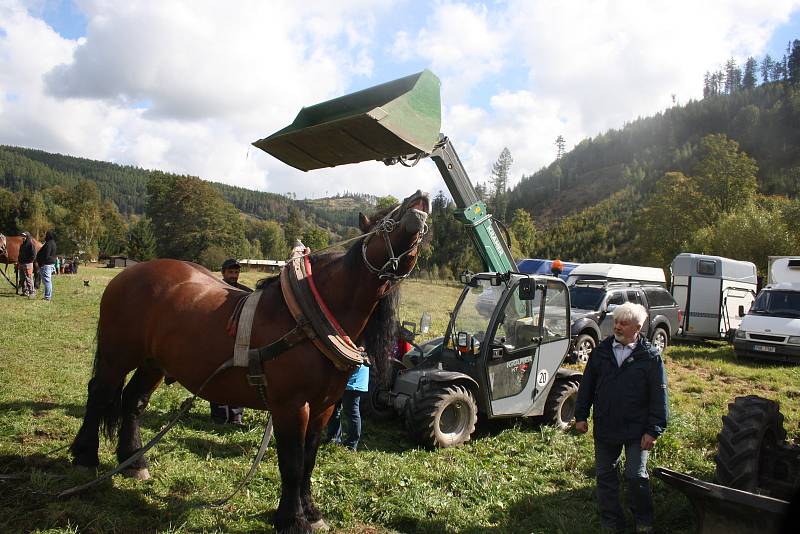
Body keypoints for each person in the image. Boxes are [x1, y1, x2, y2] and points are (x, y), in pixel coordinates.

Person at [574, 302, 669, 534]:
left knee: (635, 475)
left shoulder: (650, 357)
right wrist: (581, 415)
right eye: (616, 322)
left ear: (638, 327)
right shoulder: (601, 352)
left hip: (638, 430)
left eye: (623, 323)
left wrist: (654, 429)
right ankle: (611, 522)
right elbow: (586, 386)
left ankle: (643, 521)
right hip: (607, 425)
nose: (617, 326)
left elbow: (659, 395)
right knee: (605, 476)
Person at [210, 258, 250, 425]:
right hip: (219, 339)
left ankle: (236, 416)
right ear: (223, 273)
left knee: (238, 376)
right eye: (230, 272)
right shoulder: (216, 291)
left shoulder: (245, 292)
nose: (234, 275)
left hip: (239, 339)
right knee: (218, 376)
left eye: (236, 272)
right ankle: (219, 416)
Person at [325, 363, 369, 451]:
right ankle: (334, 438)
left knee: (352, 412)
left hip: (354, 382)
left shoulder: (366, 349)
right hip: (341, 380)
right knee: (333, 409)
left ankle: (351, 445)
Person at [36, 230, 57, 301]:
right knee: (48, 281)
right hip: (49, 264)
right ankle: (48, 296)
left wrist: (41, 263)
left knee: (47, 281)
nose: (45, 236)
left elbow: (46, 255)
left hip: (46, 264)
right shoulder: (53, 243)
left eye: (46, 235)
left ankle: (47, 297)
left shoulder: (48, 244)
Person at [17, 232, 36, 298]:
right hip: (21, 264)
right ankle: (25, 291)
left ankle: (32, 292)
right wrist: (18, 261)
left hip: (28, 264)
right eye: (22, 236)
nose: (23, 237)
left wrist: (29, 261)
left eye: (24, 236)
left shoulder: (31, 244)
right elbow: (19, 254)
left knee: (29, 278)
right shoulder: (22, 245)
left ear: (27, 237)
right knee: (22, 279)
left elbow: (33, 255)